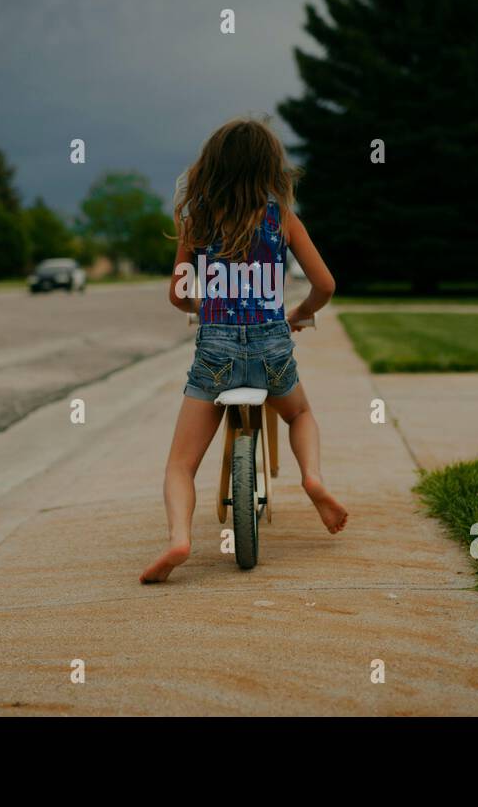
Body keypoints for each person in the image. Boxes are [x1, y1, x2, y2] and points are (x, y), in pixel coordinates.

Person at [140, 117, 347, 584]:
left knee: (181, 463)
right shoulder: (282, 220)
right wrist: (297, 313)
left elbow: (177, 296)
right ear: (270, 170)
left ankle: (178, 539)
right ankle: (312, 478)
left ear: (209, 169)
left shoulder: (196, 223)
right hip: (272, 346)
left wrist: (204, 303)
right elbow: (325, 284)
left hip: (215, 351)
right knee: (299, 415)